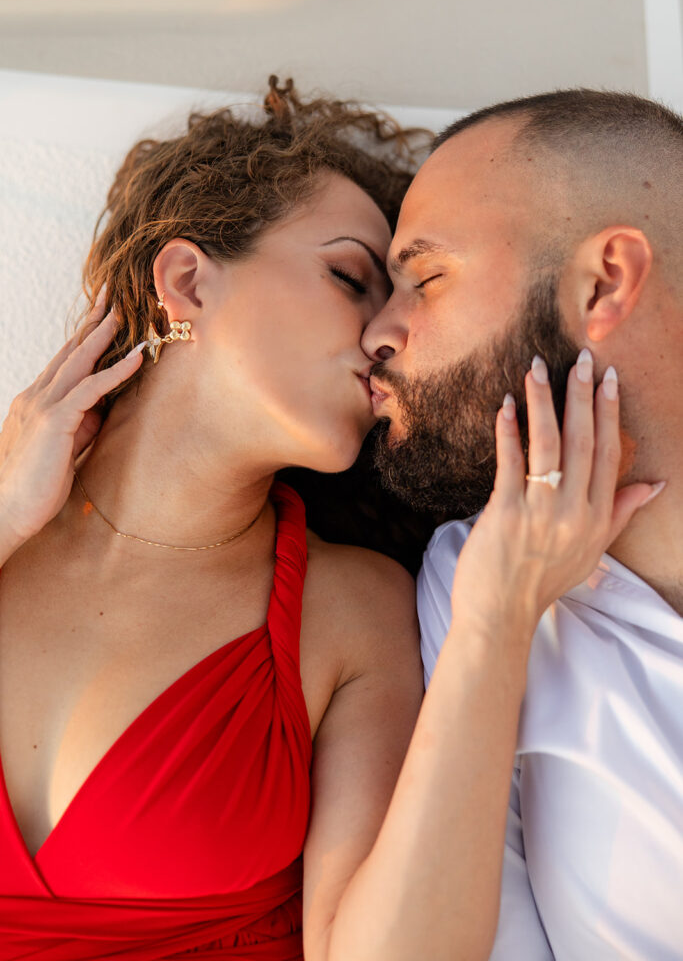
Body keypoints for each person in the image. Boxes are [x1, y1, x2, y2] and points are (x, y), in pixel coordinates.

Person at [0, 74, 658, 961]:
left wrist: (496, 621)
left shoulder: (355, 611)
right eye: (350, 277)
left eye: (410, 288)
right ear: (188, 280)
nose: (382, 332)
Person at [362, 88, 682, 960]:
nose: (376, 336)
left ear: (603, 282)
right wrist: (494, 627)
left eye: (423, 278)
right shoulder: (470, 579)